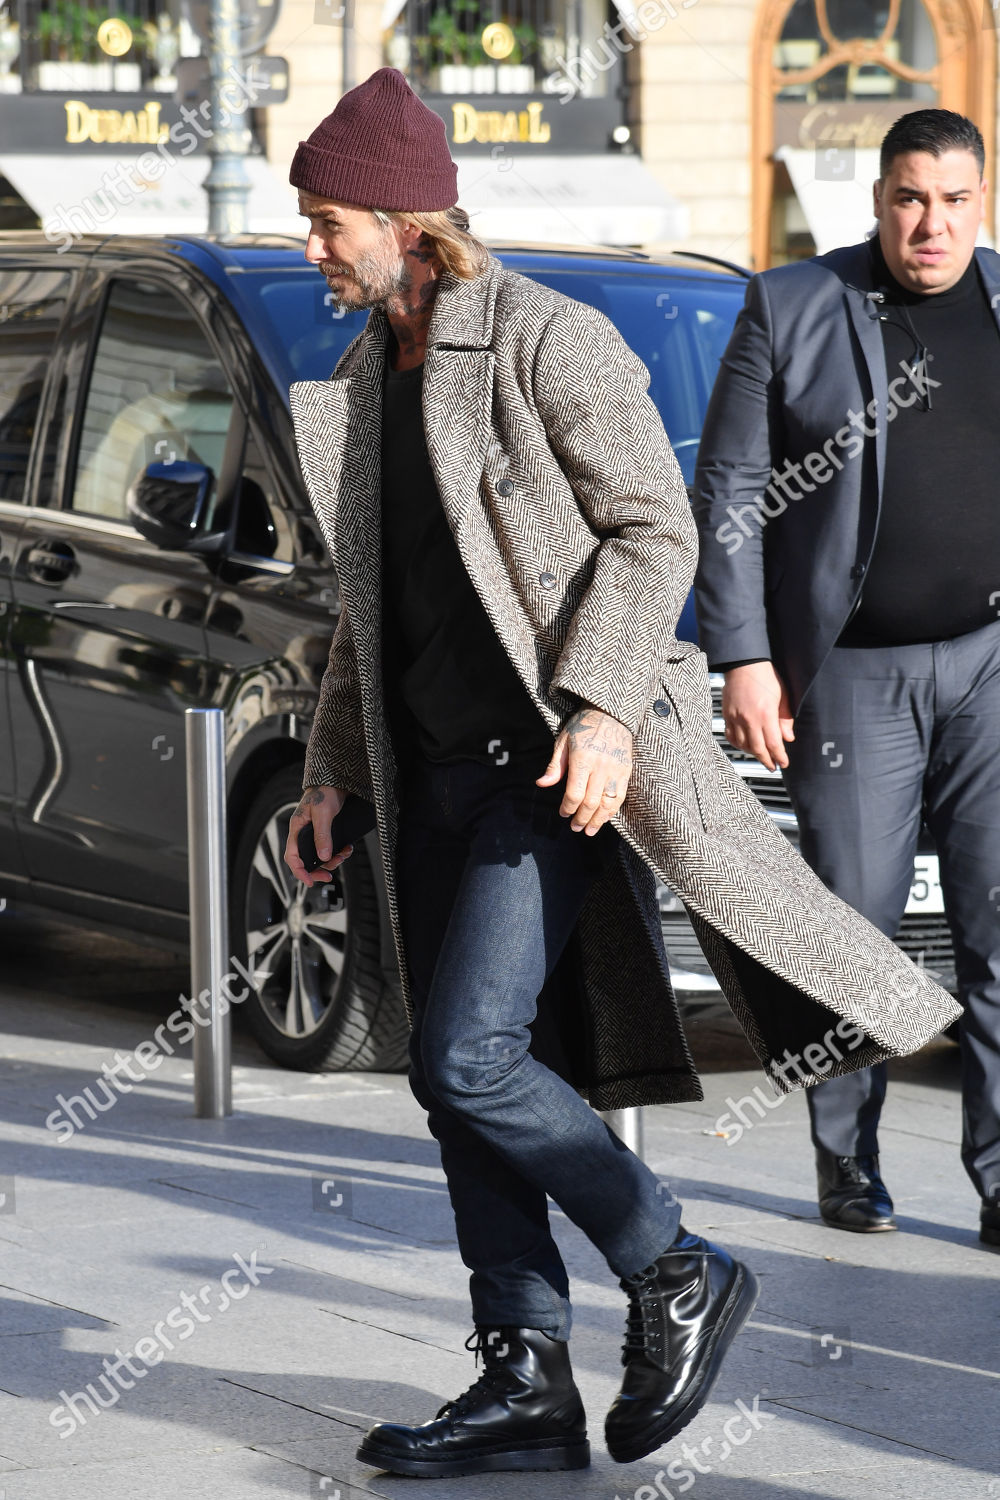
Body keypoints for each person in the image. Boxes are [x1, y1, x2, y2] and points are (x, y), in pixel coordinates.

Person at [282, 70, 958, 1479]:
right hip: (422, 776)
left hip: (550, 770)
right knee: (450, 1075)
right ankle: (524, 1379)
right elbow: (367, 603)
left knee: (471, 1055)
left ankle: (674, 1266)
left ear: (405, 220)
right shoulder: (360, 381)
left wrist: (598, 711)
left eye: (326, 218)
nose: (313, 245)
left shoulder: (546, 340)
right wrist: (334, 772)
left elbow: (658, 534)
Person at [693, 108, 1000, 1250]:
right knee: (850, 935)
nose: (931, 223)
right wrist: (744, 657)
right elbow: (727, 491)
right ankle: (847, 1163)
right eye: (910, 198)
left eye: (954, 200)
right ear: (878, 201)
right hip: (852, 677)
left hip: (990, 665)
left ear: (982, 200)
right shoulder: (794, 305)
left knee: (997, 928)